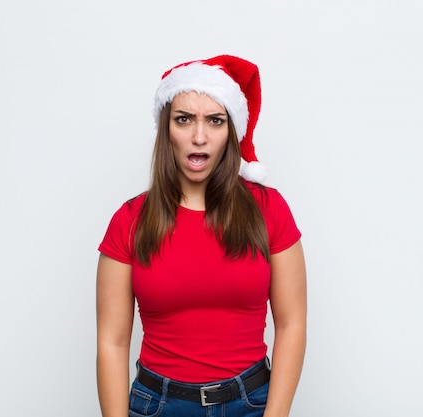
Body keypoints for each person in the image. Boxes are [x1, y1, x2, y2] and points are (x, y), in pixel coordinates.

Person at [96, 55, 307, 417]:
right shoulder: (129, 220)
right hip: (158, 405)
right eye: (184, 119)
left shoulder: (269, 209)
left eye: (215, 120)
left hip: (252, 404)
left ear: (231, 131)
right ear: (167, 129)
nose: (199, 136)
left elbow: (292, 325)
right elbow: (112, 343)